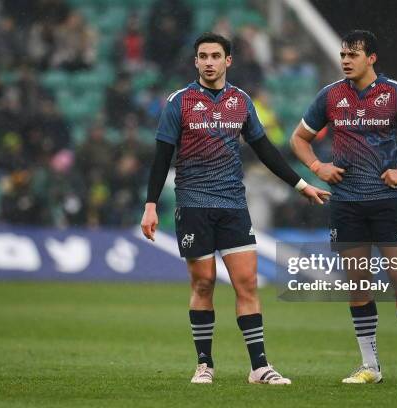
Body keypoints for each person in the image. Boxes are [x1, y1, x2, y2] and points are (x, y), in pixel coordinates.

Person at [140, 32, 330, 385]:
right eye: (203, 56)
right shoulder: (179, 102)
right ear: (195, 61)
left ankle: (259, 367)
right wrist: (150, 205)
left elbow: (266, 150)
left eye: (215, 55)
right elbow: (161, 156)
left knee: (246, 284)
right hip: (194, 204)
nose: (209, 62)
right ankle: (204, 365)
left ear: (228, 61)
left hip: (233, 205)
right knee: (204, 284)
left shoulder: (241, 102)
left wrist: (301, 185)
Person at [290, 30, 397, 386]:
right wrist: (318, 167)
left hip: (387, 204)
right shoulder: (331, 95)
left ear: (372, 58)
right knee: (358, 285)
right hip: (346, 205)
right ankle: (370, 366)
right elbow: (298, 139)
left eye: (353, 54)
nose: (345, 60)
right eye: (343, 54)